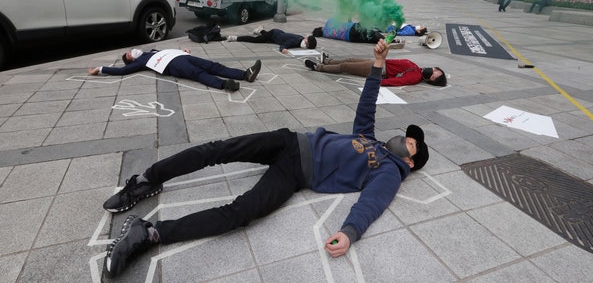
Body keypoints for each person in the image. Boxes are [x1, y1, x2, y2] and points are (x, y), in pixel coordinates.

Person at [102, 40, 430, 278]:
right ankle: (146, 179)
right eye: (408, 135)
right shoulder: (369, 139)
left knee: (241, 212)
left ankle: (148, 233)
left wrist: (350, 232)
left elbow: (372, 202)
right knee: (216, 150)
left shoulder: (389, 170)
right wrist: (377, 63)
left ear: (410, 162)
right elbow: (367, 105)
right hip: (290, 140)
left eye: (411, 143)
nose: (404, 138)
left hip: (296, 173)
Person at [88, 48, 261, 92]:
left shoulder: (150, 52)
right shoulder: (140, 61)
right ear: (130, 59)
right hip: (172, 65)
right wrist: (100, 69)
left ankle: (245, 75)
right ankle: (225, 85)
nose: (131, 50)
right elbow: (121, 72)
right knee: (199, 74)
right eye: (128, 54)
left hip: (181, 57)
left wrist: (182, 51)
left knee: (213, 66)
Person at [304, 53, 447, 87]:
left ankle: (318, 67)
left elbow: (398, 81)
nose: (432, 73)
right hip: (379, 62)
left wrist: (377, 82)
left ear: (430, 81)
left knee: (346, 67)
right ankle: (327, 61)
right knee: (350, 60)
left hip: (378, 69)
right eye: (435, 71)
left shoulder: (415, 76)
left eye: (434, 77)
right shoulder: (417, 68)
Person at [227, 26, 317, 54]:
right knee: (256, 40)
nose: (306, 46)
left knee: (264, 37)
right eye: (307, 44)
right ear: (306, 40)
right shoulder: (296, 40)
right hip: (274, 34)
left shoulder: (301, 39)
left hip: (277, 35)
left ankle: (260, 30)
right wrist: (283, 49)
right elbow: (284, 45)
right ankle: (235, 38)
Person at [312, 18, 384, 43]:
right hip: (351, 28)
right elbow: (338, 17)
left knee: (367, 38)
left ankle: (384, 40)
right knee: (368, 28)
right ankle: (384, 38)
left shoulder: (326, 35)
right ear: (320, 28)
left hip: (350, 38)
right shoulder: (328, 23)